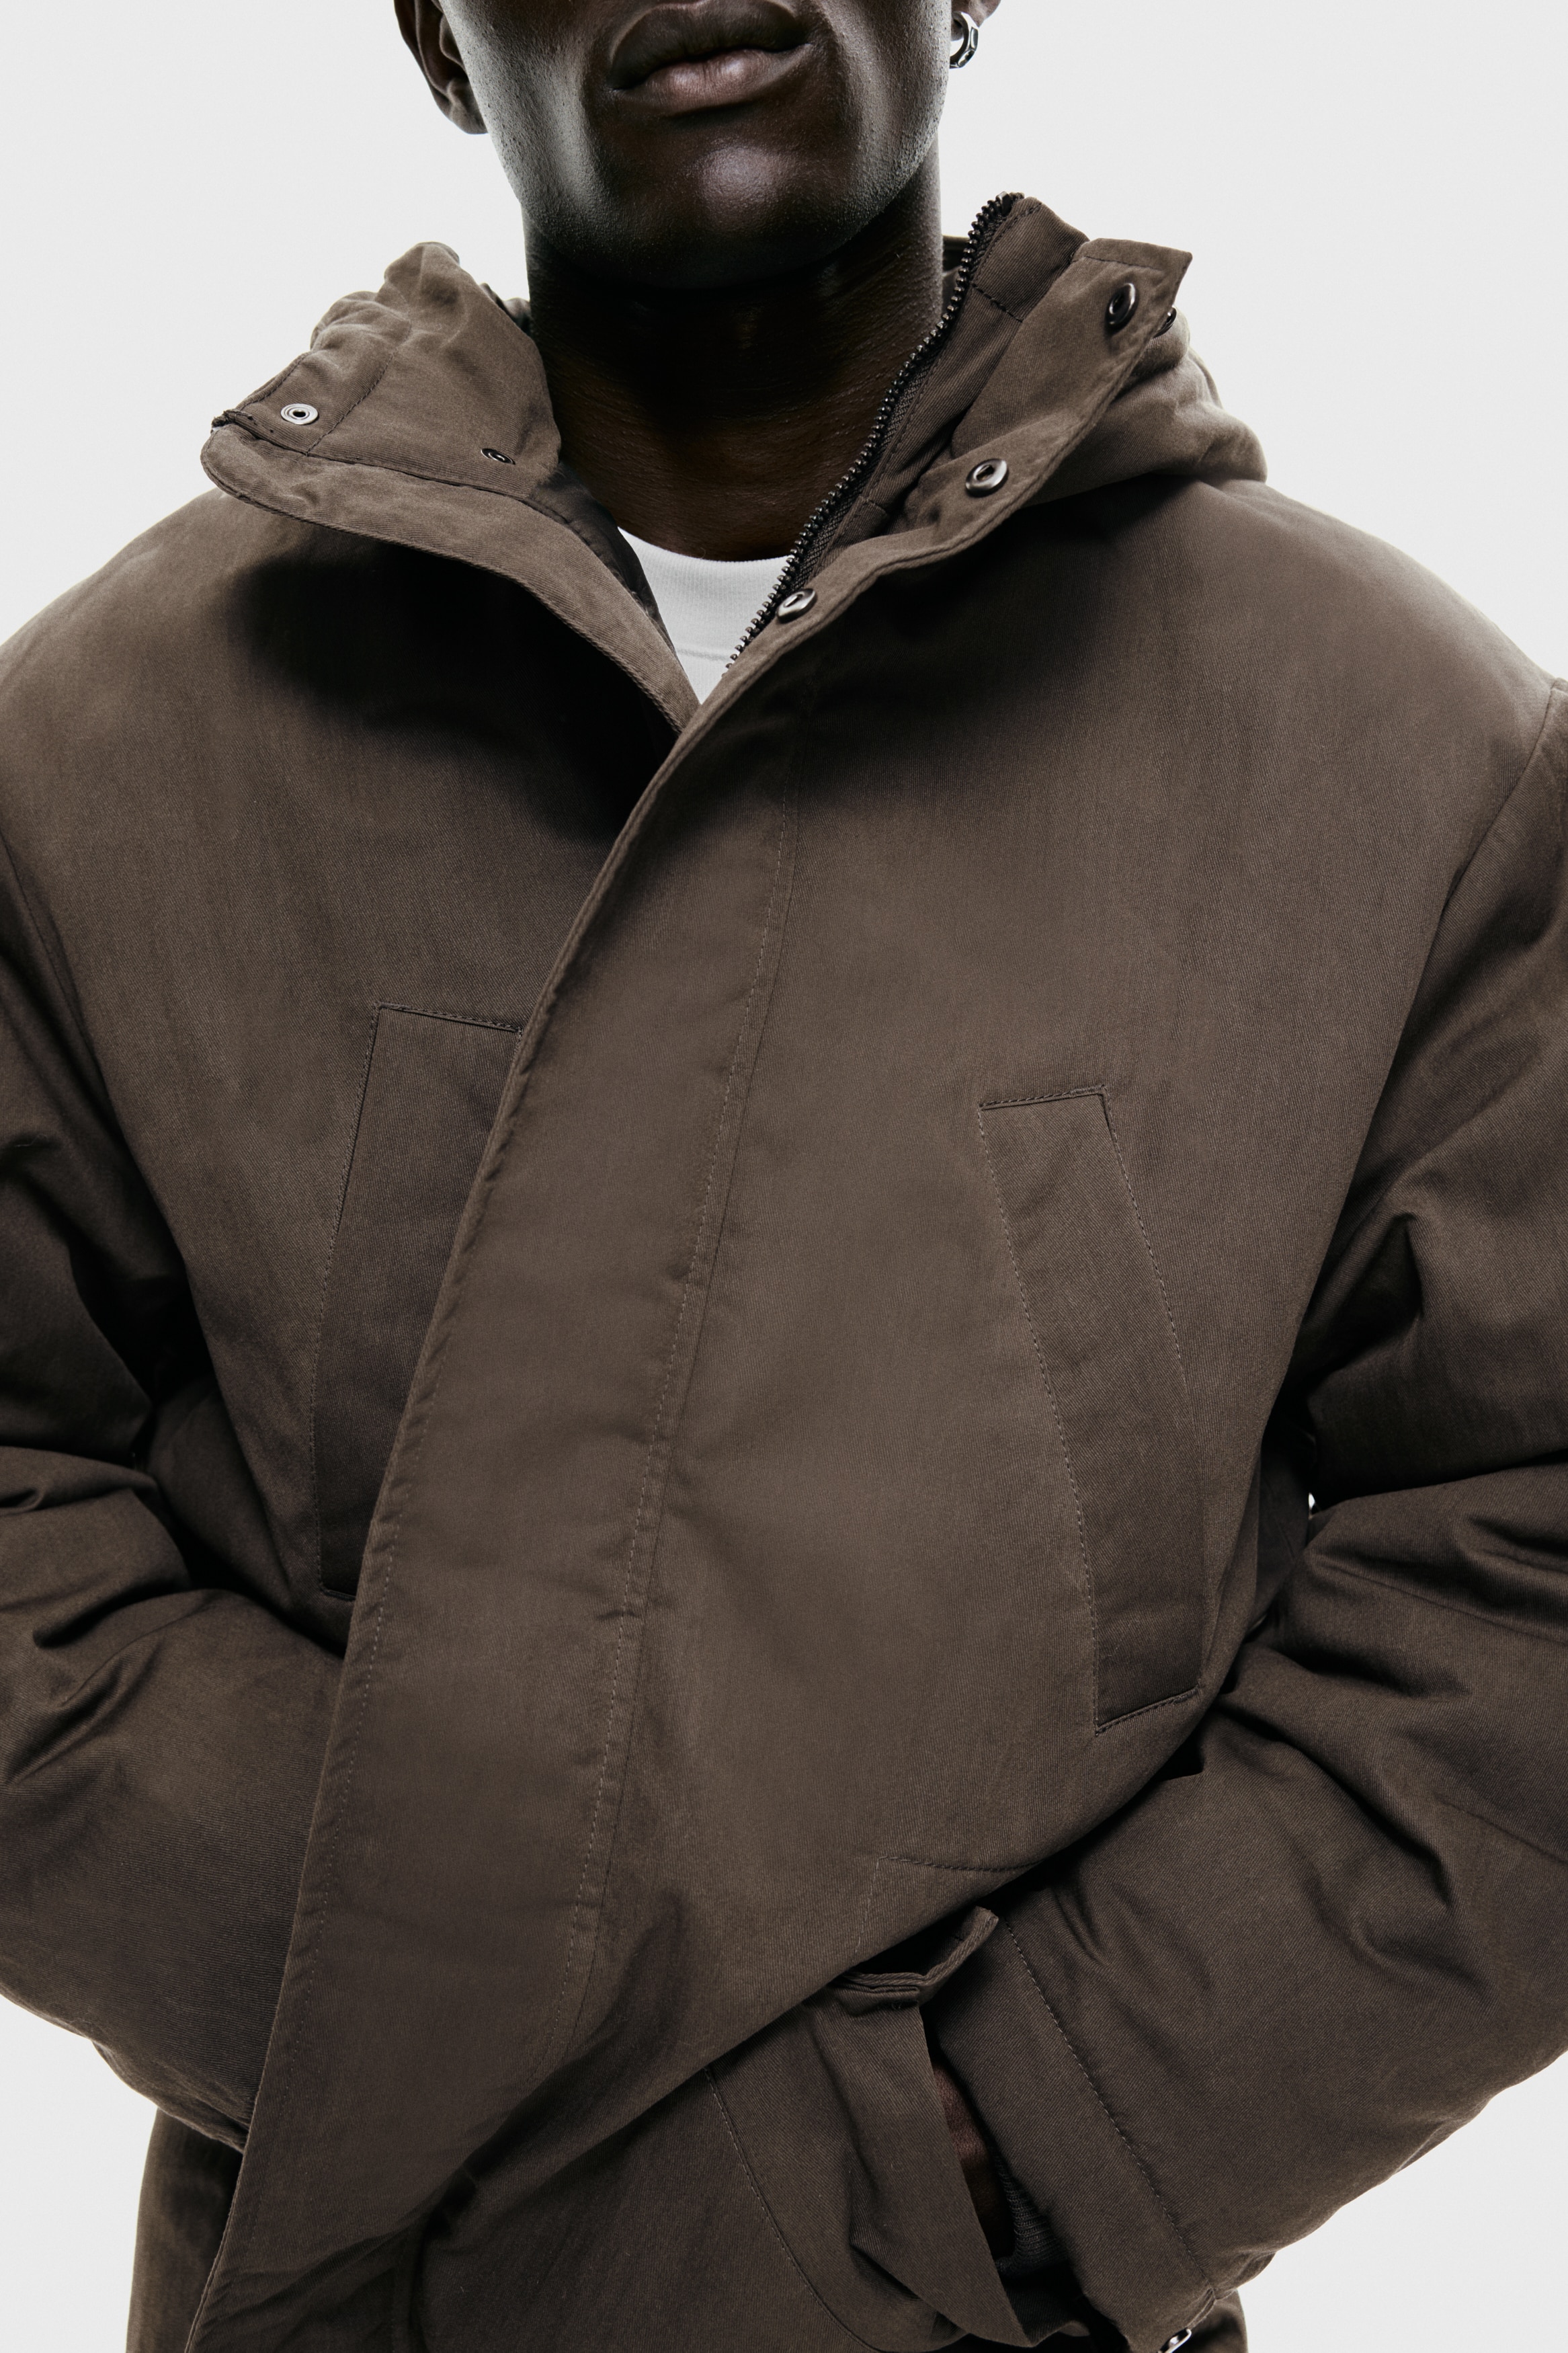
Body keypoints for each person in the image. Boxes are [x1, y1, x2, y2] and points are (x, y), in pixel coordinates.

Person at [1, 0, 1564, 2346]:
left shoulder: (1398, 744)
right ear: (436, 35)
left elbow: (1536, 1549)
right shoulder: (108, 753)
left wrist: (1038, 2125)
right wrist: (401, 2001)